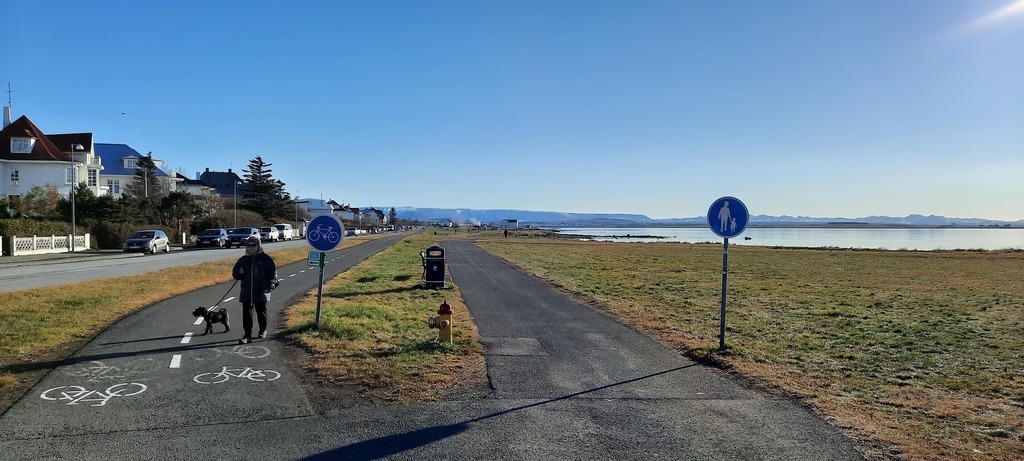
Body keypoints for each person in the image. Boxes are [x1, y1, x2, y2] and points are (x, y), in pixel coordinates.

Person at [232, 236, 277, 344]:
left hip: (261, 291)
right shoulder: (243, 260)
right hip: (246, 292)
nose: (251, 247)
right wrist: (239, 273)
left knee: (261, 312)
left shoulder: (266, 259)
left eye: (253, 245)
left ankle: (262, 330)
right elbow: (235, 274)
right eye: (249, 245)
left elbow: (272, 274)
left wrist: (269, 286)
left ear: (258, 246)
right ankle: (247, 335)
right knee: (247, 314)